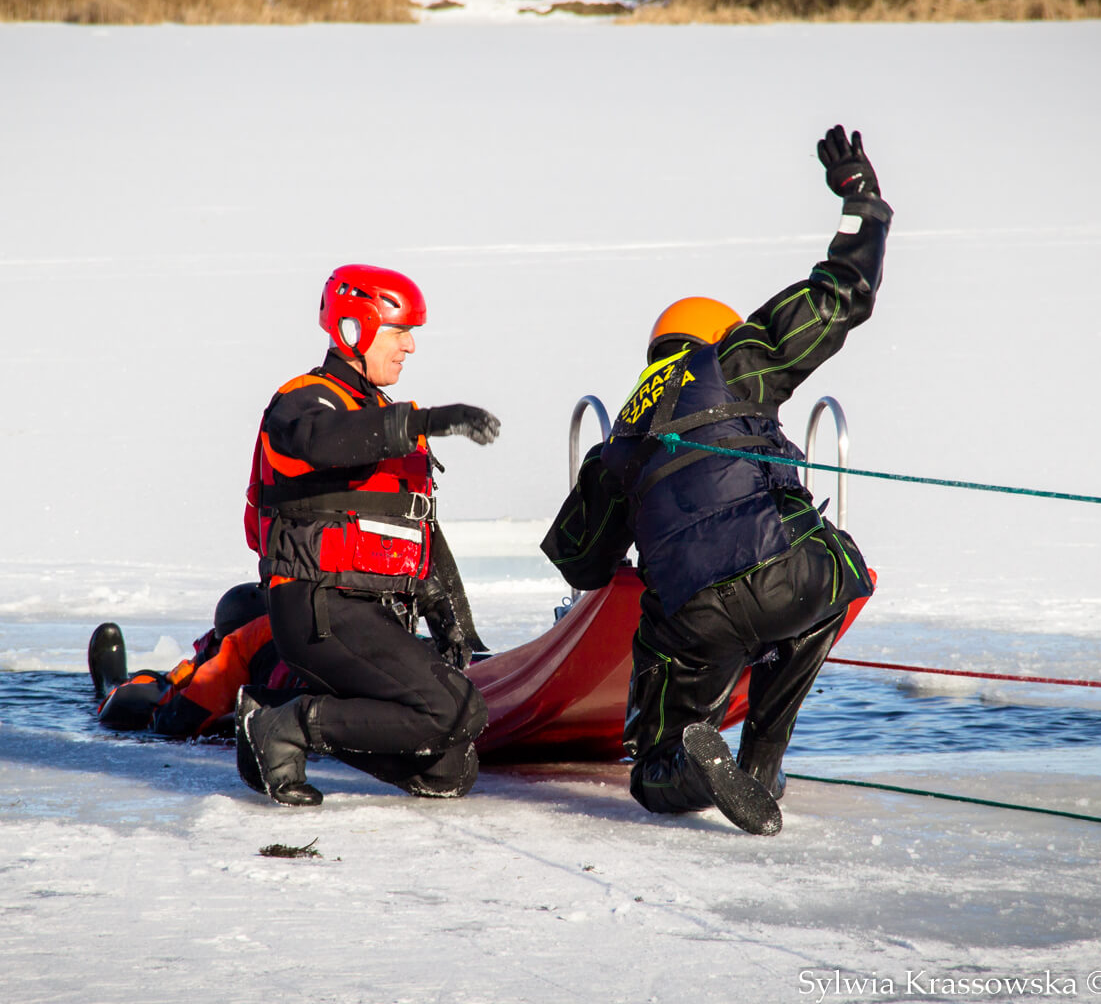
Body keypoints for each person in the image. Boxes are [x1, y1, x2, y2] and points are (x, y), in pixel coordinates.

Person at [541, 125, 888, 835]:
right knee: (837, 574)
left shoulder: (618, 445)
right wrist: (863, 204)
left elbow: (581, 560)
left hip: (696, 617)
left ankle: (692, 764)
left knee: (650, 767)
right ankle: (762, 761)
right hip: (798, 572)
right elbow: (841, 295)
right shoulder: (739, 360)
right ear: (715, 336)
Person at [236, 265, 500, 807]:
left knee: (450, 768)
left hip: (374, 611)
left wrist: (452, 619)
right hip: (320, 606)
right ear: (354, 328)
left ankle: (265, 714)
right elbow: (320, 442)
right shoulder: (304, 402)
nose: (409, 346)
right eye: (399, 331)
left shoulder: (379, 413)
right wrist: (424, 421)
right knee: (453, 710)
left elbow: (417, 525)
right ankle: (286, 727)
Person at [88, 582, 294, 737]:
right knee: (161, 687)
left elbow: (175, 720)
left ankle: (117, 685)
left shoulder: (249, 646)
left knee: (138, 699)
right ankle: (117, 684)